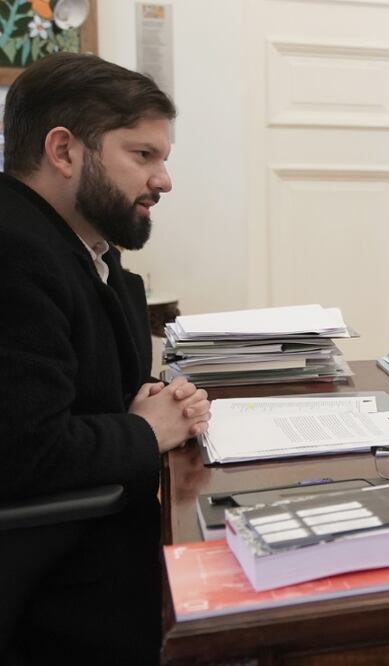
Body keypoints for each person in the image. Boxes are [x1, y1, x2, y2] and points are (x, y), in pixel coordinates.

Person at [0, 53, 210, 663]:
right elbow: (21, 452)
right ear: (64, 151)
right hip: (59, 588)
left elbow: (84, 383)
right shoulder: (15, 254)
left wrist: (147, 401)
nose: (164, 180)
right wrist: (144, 431)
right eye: (143, 155)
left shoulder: (81, 239)